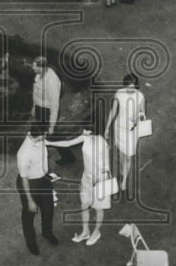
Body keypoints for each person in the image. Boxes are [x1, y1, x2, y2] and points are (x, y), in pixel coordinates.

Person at [46, 126, 112, 246]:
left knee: (98, 209)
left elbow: (106, 166)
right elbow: (68, 143)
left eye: (86, 130)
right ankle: (85, 231)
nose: (83, 132)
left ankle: (96, 232)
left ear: (93, 132)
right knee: (84, 205)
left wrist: (98, 180)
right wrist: (49, 142)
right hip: (86, 177)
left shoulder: (102, 144)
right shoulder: (86, 137)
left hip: (99, 180)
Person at [16, 124, 58, 255]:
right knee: (29, 213)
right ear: (38, 136)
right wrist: (30, 200)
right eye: (44, 134)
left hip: (43, 180)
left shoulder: (39, 139)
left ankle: (47, 233)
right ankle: (30, 241)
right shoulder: (23, 154)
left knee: (48, 208)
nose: (46, 136)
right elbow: (24, 179)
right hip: (30, 183)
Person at [105, 74, 146, 193]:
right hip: (119, 128)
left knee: (128, 157)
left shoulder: (140, 97)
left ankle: (123, 181)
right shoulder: (119, 93)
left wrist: (137, 118)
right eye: (128, 87)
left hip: (132, 131)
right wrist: (107, 127)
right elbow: (113, 111)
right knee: (122, 153)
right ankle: (123, 171)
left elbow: (143, 114)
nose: (130, 90)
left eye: (132, 87)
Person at [31, 56, 73, 165]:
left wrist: (52, 125)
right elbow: (36, 91)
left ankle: (68, 157)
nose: (32, 68)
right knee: (39, 130)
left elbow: (55, 106)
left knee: (53, 134)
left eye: (34, 67)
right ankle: (39, 151)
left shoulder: (52, 81)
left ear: (41, 67)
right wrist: (34, 106)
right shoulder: (40, 74)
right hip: (40, 108)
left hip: (47, 111)